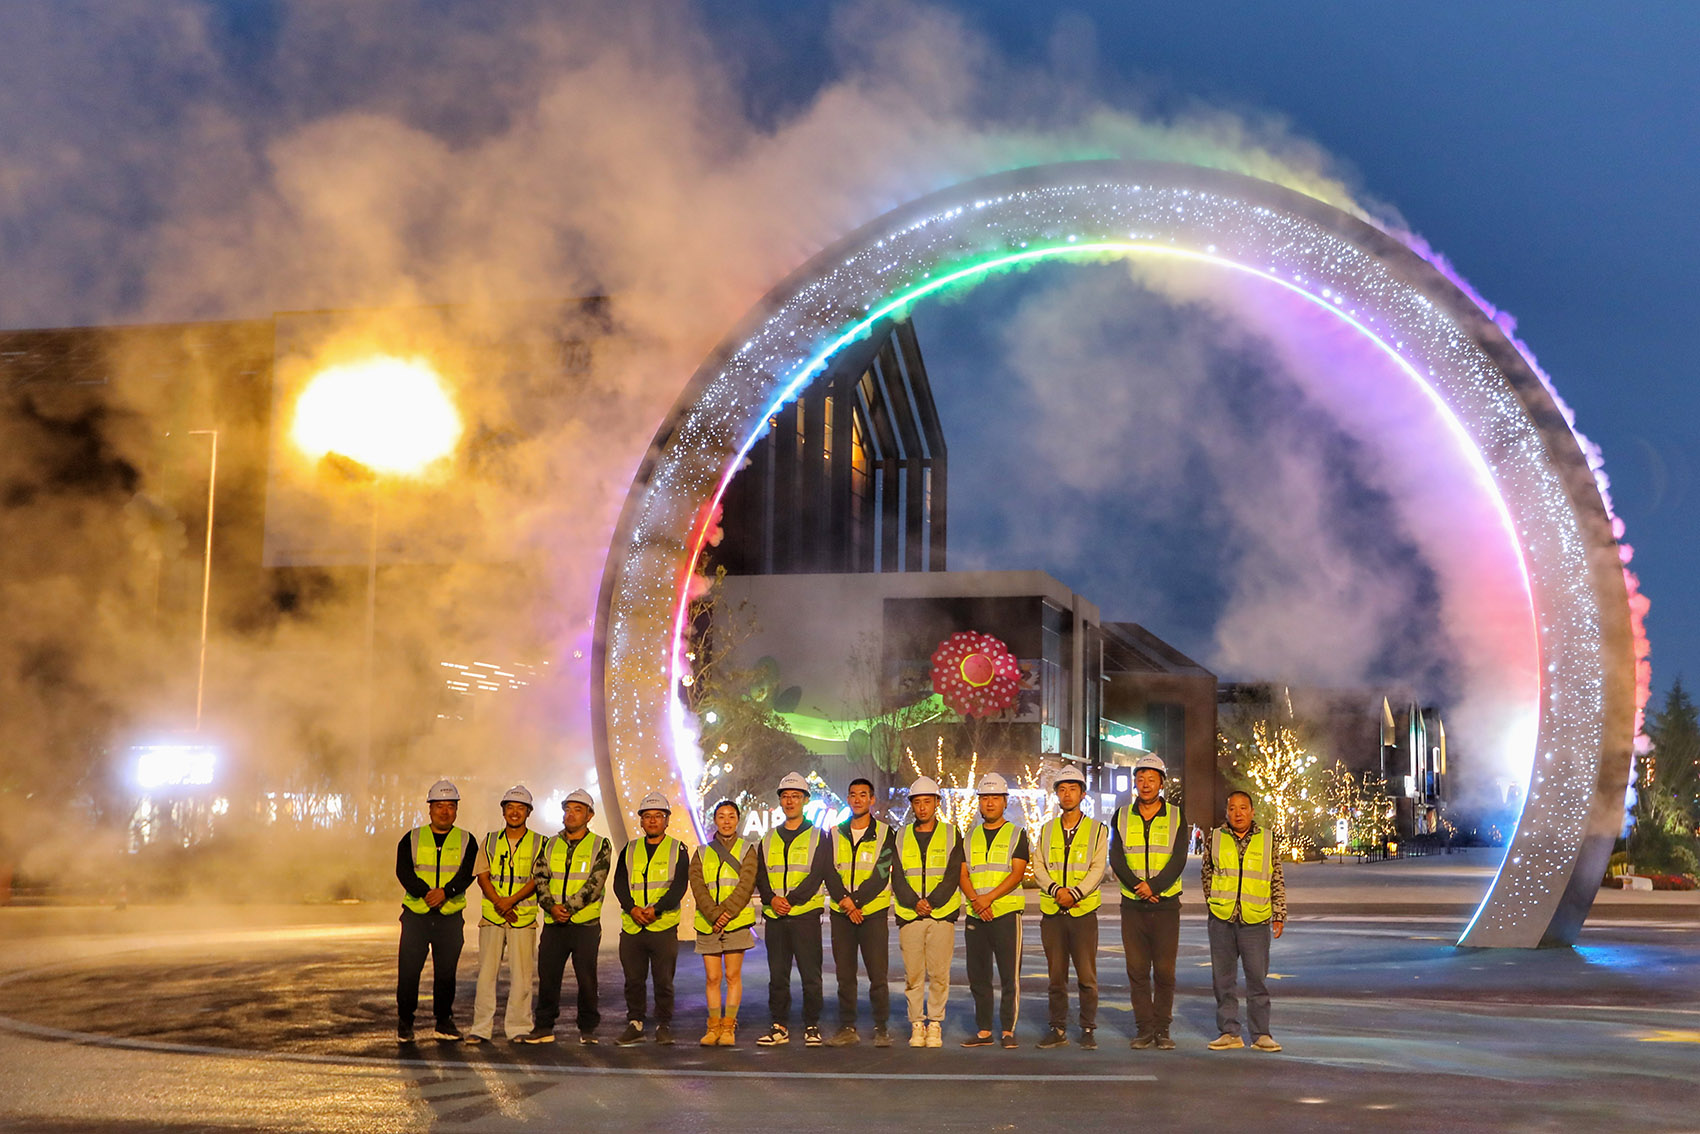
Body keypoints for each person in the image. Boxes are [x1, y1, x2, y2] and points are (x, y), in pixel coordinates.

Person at [516, 788, 609, 1045]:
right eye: (567, 809)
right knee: (548, 977)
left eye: (577, 809)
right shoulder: (550, 843)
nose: (570, 814)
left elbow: (595, 883)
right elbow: (540, 879)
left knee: (587, 978)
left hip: (584, 924)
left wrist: (567, 908)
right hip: (554, 923)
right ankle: (544, 1026)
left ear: (589, 815)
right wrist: (551, 908)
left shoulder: (600, 844)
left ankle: (588, 1028)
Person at [1110, 754, 1188, 1051]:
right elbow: (1116, 857)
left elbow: (1179, 858)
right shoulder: (1122, 815)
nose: (1145, 784)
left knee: (1165, 971)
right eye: (1140, 779)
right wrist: (1138, 887)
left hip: (1166, 905)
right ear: (1135, 783)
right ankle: (1144, 1028)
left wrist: (1154, 886)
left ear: (1162, 784)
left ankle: (1163, 1028)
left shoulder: (1177, 816)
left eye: (1151, 779)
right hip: (1132, 906)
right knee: (1137, 970)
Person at [1202, 789, 1287, 1053]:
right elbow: (1207, 873)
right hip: (1222, 920)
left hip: (1256, 920)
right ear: (1226, 812)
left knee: (1257, 980)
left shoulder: (1267, 839)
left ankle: (1261, 1034)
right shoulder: (1215, 837)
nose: (1237, 813)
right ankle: (1229, 1032)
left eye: (1243, 808)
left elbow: (1276, 878)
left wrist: (1279, 914)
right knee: (1223, 980)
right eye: (1232, 808)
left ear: (1252, 811)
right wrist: (1215, 903)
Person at [754, 771, 834, 1047]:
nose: (790, 802)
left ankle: (812, 1024)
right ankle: (779, 1025)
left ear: (805, 801)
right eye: (785, 797)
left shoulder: (819, 836)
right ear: (780, 802)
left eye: (795, 797)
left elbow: (818, 873)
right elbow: (761, 875)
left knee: (811, 975)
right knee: (777, 975)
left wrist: (792, 899)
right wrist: (772, 899)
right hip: (775, 918)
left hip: (805, 917)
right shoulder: (768, 838)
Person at [1031, 763, 1107, 1051]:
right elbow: (1038, 866)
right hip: (1052, 913)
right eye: (1062, 790)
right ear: (1056, 796)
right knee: (1056, 977)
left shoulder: (1097, 830)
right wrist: (1055, 890)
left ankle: (1087, 1028)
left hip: (1083, 913)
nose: (1067, 795)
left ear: (1082, 794)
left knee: (1087, 976)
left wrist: (1074, 893)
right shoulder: (1047, 830)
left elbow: (1098, 869)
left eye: (1072, 789)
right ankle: (1058, 1027)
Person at [395, 779, 477, 1043]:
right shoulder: (411, 838)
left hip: (449, 917)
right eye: (439, 806)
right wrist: (426, 893)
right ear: (429, 808)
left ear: (456, 810)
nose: (444, 811)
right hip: (416, 916)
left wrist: (446, 892)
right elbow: (404, 872)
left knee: (446, 973)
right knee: (408, 972)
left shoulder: (467, 840)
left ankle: (444, 1022)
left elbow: (467, 874)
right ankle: (405, 1022)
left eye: (450, 806)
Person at [466, 785, 544, 1044]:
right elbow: (483, 876)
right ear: (503, 811)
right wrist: (500, 903)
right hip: (492, 917)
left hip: (522, 918)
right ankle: (480, 1028)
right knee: (486, 975)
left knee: (522, 977)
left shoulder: (539, 842)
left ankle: (519, 1027)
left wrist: (510, 902)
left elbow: (538, 879)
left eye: (520, 808)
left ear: (528, 812)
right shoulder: (489, 840)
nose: (514, 812)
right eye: (510, 807)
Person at [890, 775, 963, 1049]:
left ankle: (935, 1023)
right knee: (913, 975)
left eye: (927, 802)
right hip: (910, 915)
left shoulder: (951, 833)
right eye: (917, 802)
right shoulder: (900, 835)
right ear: (912, 805)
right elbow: (897, 877)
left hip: (941, 914)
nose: (922, 808)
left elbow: (952, 874)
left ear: (936, 803)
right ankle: (916, 1024)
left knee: (940, 973)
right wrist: (914, 902)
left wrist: (931, 902)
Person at [959, 772, 1030, 1049]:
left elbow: (1017, 874)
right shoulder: (969, 836)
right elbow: (963, 874)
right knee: (978, 975)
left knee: (1009, 976)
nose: (989, 803)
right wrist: (977, 900)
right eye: (985, 798)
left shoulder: (1016, 834)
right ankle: (984, 1029)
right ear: (979, 802)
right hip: (977, 914)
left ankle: (1008, 1030)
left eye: (995, 798)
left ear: (1005, 801)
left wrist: (988, 898)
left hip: (1006, 914)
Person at [824, 777, 896, 1047]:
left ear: (872, 799)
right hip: (841, 915)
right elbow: (828, 871)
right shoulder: (833, 833)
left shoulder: (887, 833)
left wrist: (856, 902)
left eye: (863, 795)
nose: (857, 799)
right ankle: (847, 1027)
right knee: (845, 975)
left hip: (872, 914)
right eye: (852, 795)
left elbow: (881, 873)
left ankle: (881, 1028)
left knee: (878, 975)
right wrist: (845, 901)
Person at [613, 791, 689, 1046]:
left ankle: (663, 1024)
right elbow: (619, 883)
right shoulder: (630, 848)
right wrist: (632, 908)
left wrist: (657, 910)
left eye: (659, 816)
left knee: (663, 981)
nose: (653, 821)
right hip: (633, 927)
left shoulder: (677, 848)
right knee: (633, 980)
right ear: (641, 821)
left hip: (663, 926)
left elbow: (679, 885)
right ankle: (635, 1022)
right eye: (648, 816)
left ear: (667, 820)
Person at [689, 798, 759, 1046]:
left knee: (732, 975)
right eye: (721, 816)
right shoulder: (701, 852)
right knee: (712, 977)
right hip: (708, 923)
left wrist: (726, 913)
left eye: (731, 816)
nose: (726, 821)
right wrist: (713, 914)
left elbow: (746, 884)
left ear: (737, 820)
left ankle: (728, 1027)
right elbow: (697, 885)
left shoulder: (747, 849)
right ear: (714, 820)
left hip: (736, 921)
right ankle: (713, 1027)